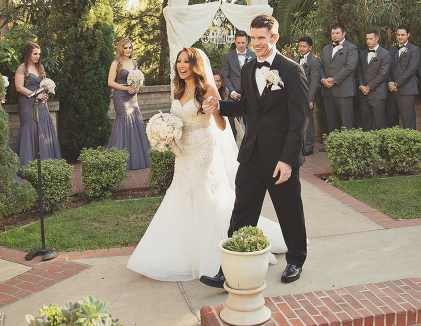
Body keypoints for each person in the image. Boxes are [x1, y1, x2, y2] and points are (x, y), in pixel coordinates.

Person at [127, 47, 286, 281]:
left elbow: (221, 126)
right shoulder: (177, 88)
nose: (181, 66)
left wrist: (214, 111)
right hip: (183, 150)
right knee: (181, 193)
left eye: (187, 62)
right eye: (179, 62)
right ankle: (180, 251)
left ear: (195, 65)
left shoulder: (208, 89)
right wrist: (165, 131)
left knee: (203, 193)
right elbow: (177, 119)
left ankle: (217, 253)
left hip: (204, 147)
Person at [201, 14, 309, 286]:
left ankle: (295, 260)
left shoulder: (292, 71)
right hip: (251, 155)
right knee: (242, 213)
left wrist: (287, 160)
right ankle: (229, 270)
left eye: (262, 38)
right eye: (253, 37)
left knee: (289, 211)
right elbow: (247, 107)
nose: (256, 43)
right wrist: (220, 106)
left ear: (274, 37)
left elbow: (299, 121)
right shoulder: (249, 69)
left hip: (279, 159)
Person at [105, 38, 151, 171]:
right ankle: (120, 159)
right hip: (121, 96)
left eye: (130, 47)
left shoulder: (134, 63)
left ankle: (135, 159)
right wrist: (126, 88)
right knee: (124, 121)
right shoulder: (116, 63)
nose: (128, 50)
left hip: (133, 96)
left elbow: (138, 81)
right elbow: (110, 82)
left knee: (135, 121)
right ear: (121, 49)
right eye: (125, 48)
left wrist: (136, 88)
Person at [14, 42, 61, 166]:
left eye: (39, 54)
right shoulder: (22, 68)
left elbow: (43, 84)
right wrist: (36, 94)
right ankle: (28, 166)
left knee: (43, 129)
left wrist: (45, 94)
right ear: (28, 53)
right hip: (27, 104)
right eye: (35, 54)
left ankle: (46, 165)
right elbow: (19, 87)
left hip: (41, 104)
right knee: (30, 129)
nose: (37, 56)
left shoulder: (40, 68)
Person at [319, 23, 358, 132]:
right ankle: (332, 147)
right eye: (333, 33)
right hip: (328, 91)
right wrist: (323, 80)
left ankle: (347, 147)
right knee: (331, 122)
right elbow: (321, 66)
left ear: (344, 34)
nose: (334, 35)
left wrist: (333, 79)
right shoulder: (326, 49)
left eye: (337, 33)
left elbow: (350, 67)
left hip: (344, 91)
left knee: (347, 122)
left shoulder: (351, 48)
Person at [386, 24, 420, 129]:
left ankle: (410, 144)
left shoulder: (414, 50)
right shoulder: (391, 50)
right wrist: (390, 83)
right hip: (391, 91)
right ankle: (392, 144)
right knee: (391, 120)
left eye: (403, 35)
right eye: (398, 35)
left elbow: (411, 69)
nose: (400, 37)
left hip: (407, 90)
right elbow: (385, 69)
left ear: (408, 35)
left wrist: (397, 83)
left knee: (408, 120)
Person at [357, 29, 391, 131]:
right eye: (367, 39)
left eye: (371, 39)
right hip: (364, 94)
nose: (368, 41)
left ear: (377, 38)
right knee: (365, 121)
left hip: (378, 94)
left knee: (378, 121)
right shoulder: (363, 54)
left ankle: (379, 145)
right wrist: (361, 85)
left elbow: (383, 74)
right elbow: (359, 71)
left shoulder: (385, 54)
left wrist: (369, 87)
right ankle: (367, 144)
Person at [294, 36, 320, 155]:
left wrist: (311, 99)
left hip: (307, 96)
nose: (302, 48)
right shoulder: (295, 59)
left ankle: (309, 146)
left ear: (310, 47)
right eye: (300, 46)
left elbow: (314, 81)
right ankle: (299, 145)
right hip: (296, 96)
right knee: (297, 121)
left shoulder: (314, 61)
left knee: (308, 122)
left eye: (304, 46)